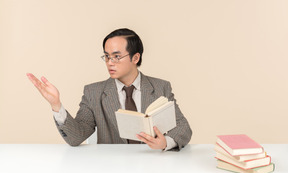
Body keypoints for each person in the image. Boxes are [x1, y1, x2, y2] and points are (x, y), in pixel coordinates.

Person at [27, 28, 192, 151]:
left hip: (155, 169)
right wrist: (56, 105)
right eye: (106, 56)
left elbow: (183, 128)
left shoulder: (161, 87)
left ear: (135, 57)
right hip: (110, 172)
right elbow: (76, 137)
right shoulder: (93, 92)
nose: (110, 62)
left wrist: (165, 143)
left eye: (116, 56)